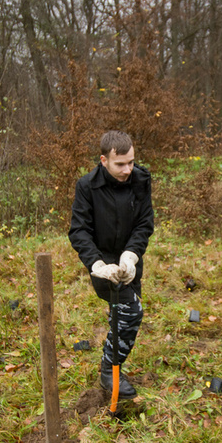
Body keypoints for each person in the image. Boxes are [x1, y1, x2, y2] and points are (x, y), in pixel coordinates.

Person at [68, 131, 154, 399]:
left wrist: (131, 255)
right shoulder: (87, 186)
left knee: (123, 312)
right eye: (120, 164)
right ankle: (109, 371)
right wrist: (96, 264)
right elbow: (79, 231)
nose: (128, 169)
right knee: (132, 312)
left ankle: (112, 361)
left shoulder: (140, 179)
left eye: (131, 162)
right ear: (104, 160)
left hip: (130, 262)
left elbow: (144, 223)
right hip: (102, 262)